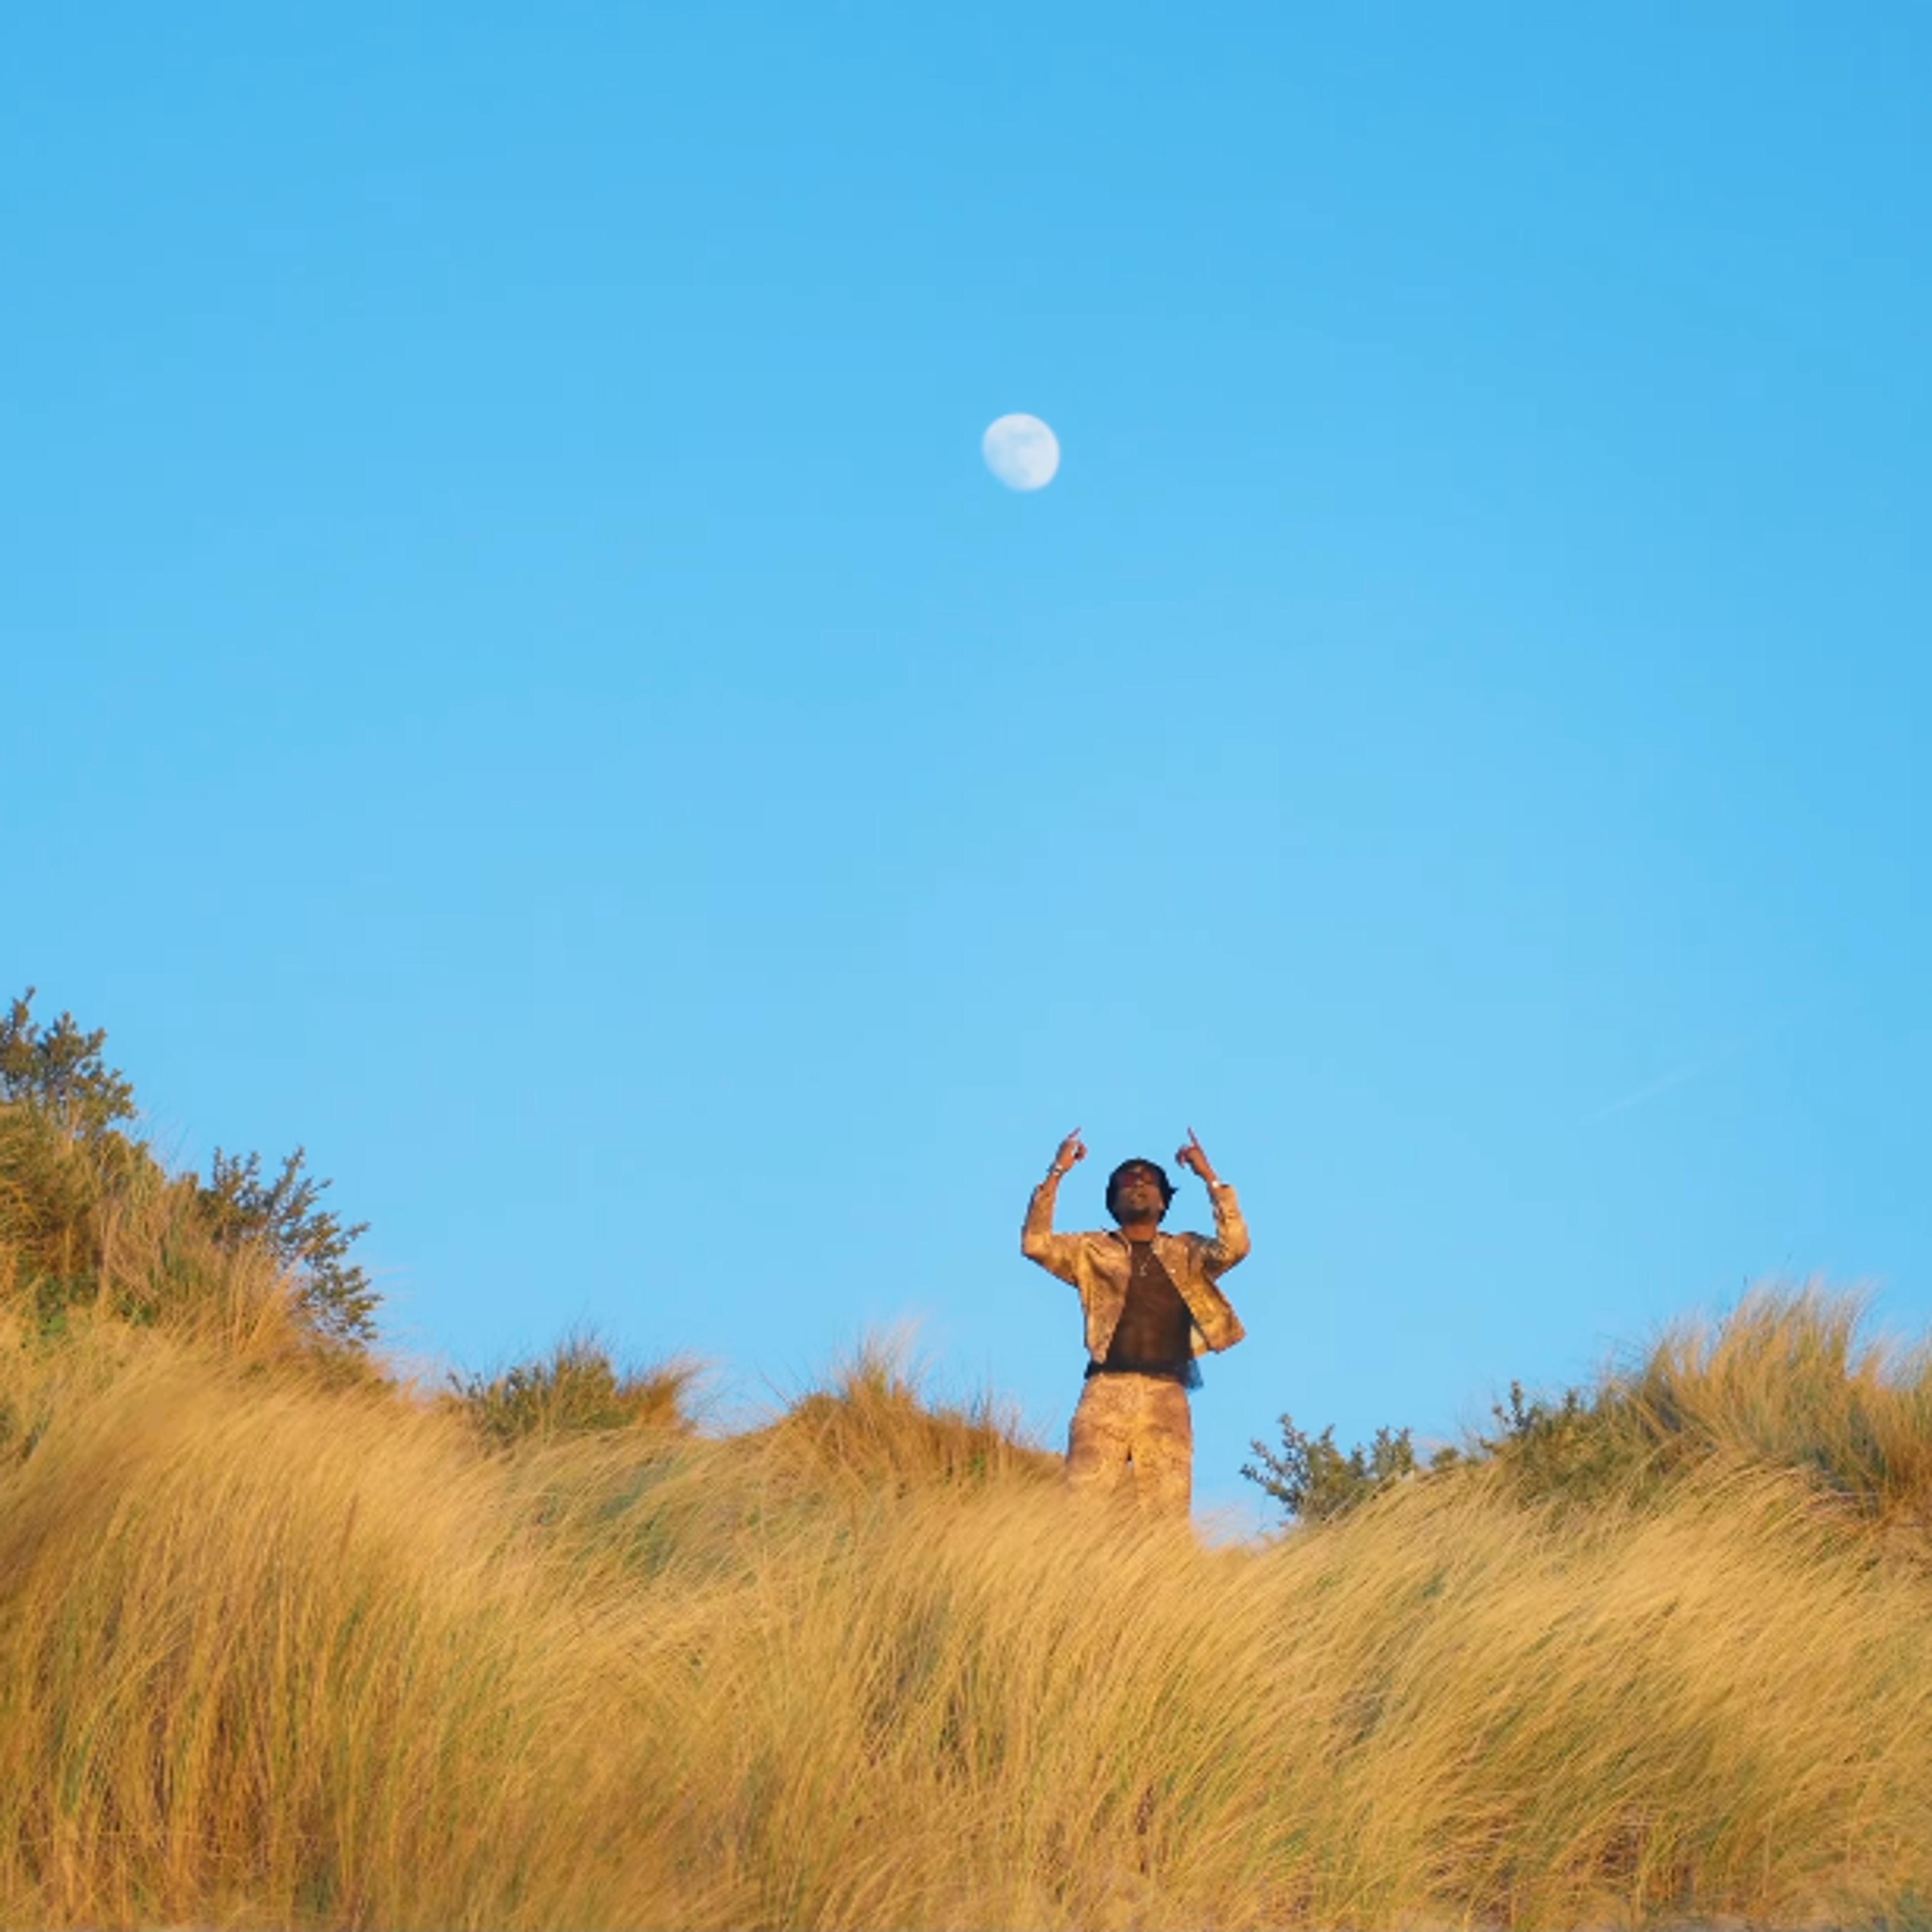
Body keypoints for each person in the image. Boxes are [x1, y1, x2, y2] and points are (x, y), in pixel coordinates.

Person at [1020, 1128, 1249, 1516]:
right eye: (1127, 1180)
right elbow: (1036, 1243)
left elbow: (1235, 1247)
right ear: (1113, 1201)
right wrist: (1058, 1171)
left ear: (1163, 1201)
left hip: (1167, 1395)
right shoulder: (1090, 1250)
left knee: (1167, 1516)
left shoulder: (1186, 1251)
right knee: (1082, 1508)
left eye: (1149, 1180)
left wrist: (1209, 1177)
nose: (1138, 1185)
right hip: (1105, 1390)